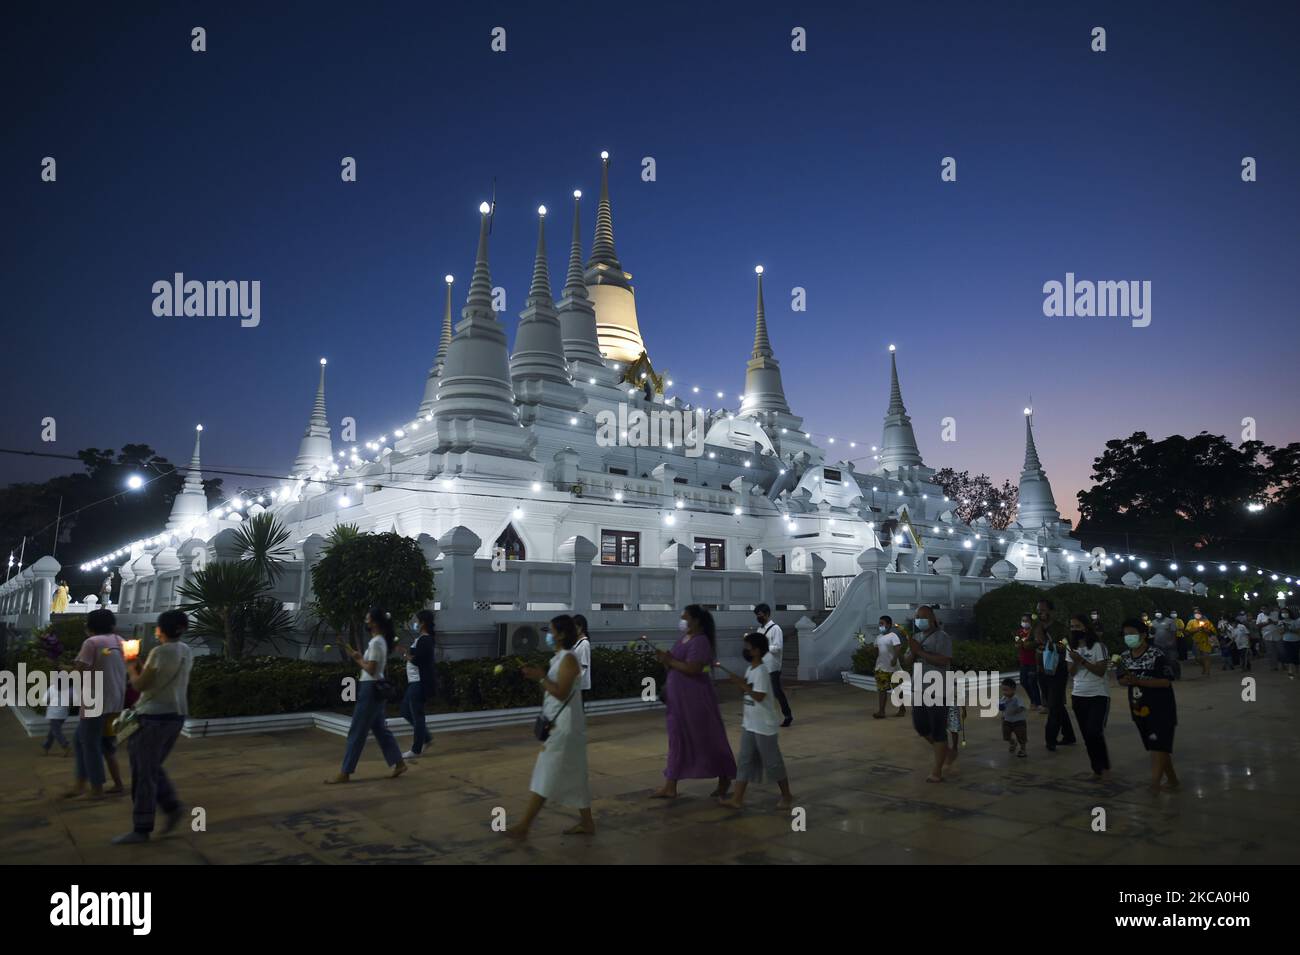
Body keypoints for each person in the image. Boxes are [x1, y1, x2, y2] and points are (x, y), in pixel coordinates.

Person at [111, 610, 194, 844]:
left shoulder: (159, 651)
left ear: (160, 629)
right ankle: (171, 806)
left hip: (153, 717)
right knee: (151, 766)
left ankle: (142, 828)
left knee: (143, 773)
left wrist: (130, 664)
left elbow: (140, 684)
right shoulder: (186, 651)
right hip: (176, 716)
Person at [508, 614, 594, 838]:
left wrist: (539, 677)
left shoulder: (569, 659)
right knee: (576, 774)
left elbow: (561, 691)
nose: (549, 635)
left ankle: (524, 826)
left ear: (562, 634)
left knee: (546, 772)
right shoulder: (558, 658)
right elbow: (551, 689)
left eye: (552, 631)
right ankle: (587, 823)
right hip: (561, 721)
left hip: (563, 726)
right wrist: (539, 676)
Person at [651, 604, 737, 799]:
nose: (682, 621)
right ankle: (670, 784)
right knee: (677, 739)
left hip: (695, 699)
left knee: (707, 738)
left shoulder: (700, 641)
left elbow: (693, 668)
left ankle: (725, 775)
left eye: (685, 617)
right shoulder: (683, 639)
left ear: (696, 620)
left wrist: (670, 661)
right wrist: (666, 660)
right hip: (677, 700)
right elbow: (676, 664)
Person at [326, 608, 407, 784]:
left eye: (368, 618)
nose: (366, 620)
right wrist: (358, 656)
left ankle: (345, 772)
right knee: (380, 729)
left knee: (357, 730)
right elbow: (372, 666)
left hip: (370, 688)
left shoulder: (377, 642)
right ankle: (399, 763)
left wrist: (358, 660)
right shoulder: (378, 641)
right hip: (374, 687)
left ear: (375, 623)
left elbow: (370, 669)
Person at [718, 631, 793, 810]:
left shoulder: (761, 670)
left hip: (764, 726)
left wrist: (741, 684)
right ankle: (737, 798)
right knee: (744, 760)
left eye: (748, 648)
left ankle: (787, 795)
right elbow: (747, 691)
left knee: (772, 762)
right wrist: (741, 684)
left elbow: (759, 696)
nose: (745, 650)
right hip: (750, 723)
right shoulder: (750, 669)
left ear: (757, 651)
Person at [64, 608, 126, 799]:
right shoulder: (120, 641)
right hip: (116, 701)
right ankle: (112, 784)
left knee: (89, 745)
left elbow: (79, 671)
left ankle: (96, 788)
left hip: (95, 702)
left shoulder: (91, 642)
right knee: (102, 743)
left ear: (90, 626)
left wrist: (63, 669)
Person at [1115, 617, 1179, 794]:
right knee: (1157, 745)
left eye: (1132, 634)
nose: (1128, 637)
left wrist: (1140, 681)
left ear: (1143, 634)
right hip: (1139, 708)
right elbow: (1121, 679)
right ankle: (1173, 780)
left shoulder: (1156, 654)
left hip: (1161, 708)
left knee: (1158, 746)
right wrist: (1127, 681)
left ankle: (1154, 784)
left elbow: (1166, 681)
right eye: (1126, 635)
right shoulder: (1125, 657)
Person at [907, 605, 954, 783]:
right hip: (919, 687)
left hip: (938, 688)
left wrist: (919, 651)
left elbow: (944, 660)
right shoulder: (916, 637)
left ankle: (937, 771)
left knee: (938, 729)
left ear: (932, 617)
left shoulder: (942, 637)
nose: (919, 620)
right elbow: (907, 660)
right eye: (917, 617)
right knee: (921, 726)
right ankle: (945, 752)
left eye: (923, 617)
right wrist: (912, 650)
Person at [1066, 614, 1110, 780]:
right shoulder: (1072, 648)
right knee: (1087, 735)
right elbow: (1071, 672)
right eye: (1072, 627)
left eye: (1077, 626)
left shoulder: (1098, 647)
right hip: (1078, 695)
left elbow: (1100, 671)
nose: (1074, 630)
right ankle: (1097, 767)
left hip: (1098, 694)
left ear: (1085, 627)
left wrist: (1082, 660)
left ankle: (1104, 765)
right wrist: (1075, 660)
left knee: (1094, 731)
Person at [1033, 598, 1076, 751]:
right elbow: (1034, 645)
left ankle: (1050, 739)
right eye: (1038, 611)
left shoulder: (1060, 628)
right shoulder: (1037, 627)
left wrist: (1045, 642)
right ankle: (1069, 735)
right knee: (1055, 704)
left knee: (1054, 705)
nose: (1040, 613)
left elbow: (1066, 647)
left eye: (1043, 610)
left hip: (1058, 670)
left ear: (1051, 611)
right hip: (1042, 670)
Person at [399, 609, 436, 760]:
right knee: (405, 711)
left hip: (418, 683)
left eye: (418, 621)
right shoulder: (421, 639)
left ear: (423, 623)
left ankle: (416, 749)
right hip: (413, 682)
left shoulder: (426, 639)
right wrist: (405, 651)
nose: (416, 623)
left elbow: (417, 659)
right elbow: (413, 652)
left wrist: (407, 656)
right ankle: (426, 738)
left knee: (418, 716)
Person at [754, 603, 792, 726]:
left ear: (767, 614)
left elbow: (778, 647)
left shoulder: (776, 629)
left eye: (760, 614)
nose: (758, 617)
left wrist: (763, 647)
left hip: (772, 666)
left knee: (776, 692)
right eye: (757, 615)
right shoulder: (759, 630)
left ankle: (787, 715)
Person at [872, 615, 905, 718]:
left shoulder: (893, 636)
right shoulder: (878, 637)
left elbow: (898, 648)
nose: (880, 626)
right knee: (882, 690)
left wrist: (895, 659)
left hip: (893, 668)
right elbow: (876, 651)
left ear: (889, 625)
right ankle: (881, 711)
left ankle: (902, 708)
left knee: (897, 690)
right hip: (881, 668)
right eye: (879, 624)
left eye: (882, 624)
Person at [1014, 613, 1042, 711]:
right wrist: (1019, 644)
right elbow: (1017, 644)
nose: (1024, 623)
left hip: (1033, 661)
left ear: (1031, 622)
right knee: (1023, 682)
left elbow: (1037, 644)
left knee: (1032, 682)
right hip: (1023, 661)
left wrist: (1027, 644)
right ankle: (1033, 700)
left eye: (1026, 621)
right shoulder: (1019, 632)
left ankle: (1037, 703)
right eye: (1023, 620)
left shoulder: (1034, 632)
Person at [42, 678, 73, 756]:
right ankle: (46, 747)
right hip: (63, 714)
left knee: (56, 731)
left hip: (52, 713)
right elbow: (73, 700)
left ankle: (65, 745)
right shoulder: (69, 689)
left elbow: (44, 700)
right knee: (53, 731)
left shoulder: (51, 688)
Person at [998, 677, 1027, 757]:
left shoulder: (1017, 698)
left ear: (1013, 689)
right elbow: (1001, 707)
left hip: (1018, 721)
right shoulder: (1003, 698)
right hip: (1007, 720)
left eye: (1006, 690)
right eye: (1003, 690)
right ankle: (1012, 742)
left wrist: (1017, 710)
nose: (1004, 692)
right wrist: (1002, 713)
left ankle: (1023, 749)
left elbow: (1022, 707)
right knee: (1006, 735)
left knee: (1021, 735)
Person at [1186, 608, 1216, 677]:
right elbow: (1187, 632)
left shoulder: (1207, 622)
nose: (1197, 614)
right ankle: (1204, 667)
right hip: (1196, 642)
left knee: (1206, 657)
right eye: (1195, 613)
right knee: (1198, 658)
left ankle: (1207, 672)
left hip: (1206, 642)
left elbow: (1212, 632)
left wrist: (1206, 630)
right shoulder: (1191, 622)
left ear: (1201, 614)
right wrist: (1196, 630)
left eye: (1198, 613)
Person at [1150, 611, 1179, 680]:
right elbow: (1152, 632)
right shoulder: (1153, 622)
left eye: (1159, 612)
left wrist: (1173, 642)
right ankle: (1163, 675)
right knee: (1160, 661)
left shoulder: (1170, 621)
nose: (1158, 613)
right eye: (1156, 612)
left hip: (1170, 644)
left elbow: (1174, 632)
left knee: (1172, 660)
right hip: (1158, 644)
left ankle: (1177, 673)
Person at [572, 613, 593, 707]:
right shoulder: (577, 643)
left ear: (581, 627)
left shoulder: (584, 644)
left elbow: (584, 666)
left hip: (579, 684)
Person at [1282, 608, 1300, 679]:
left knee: (1295, 655)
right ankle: (1290, 670)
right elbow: (1280, 632)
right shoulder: (1281, 622)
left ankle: (1297, 669)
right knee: (1288, 655)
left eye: (1286, 612)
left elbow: (1298, 631)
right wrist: (1283, 629)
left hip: (1296, 640)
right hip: (1286, 640)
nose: (1284, 614)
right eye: (1283, 612)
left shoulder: (1295, 621)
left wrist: (1289, 629)